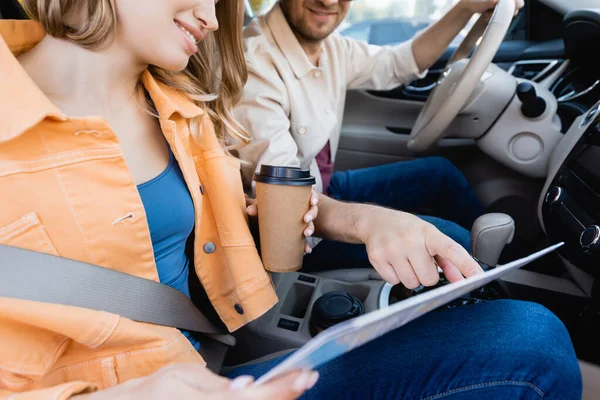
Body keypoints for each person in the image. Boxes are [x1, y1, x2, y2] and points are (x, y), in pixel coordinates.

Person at [0, 0, 581, 399]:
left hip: (217, 356)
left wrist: (362, 220)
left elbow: (249, 194)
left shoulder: (177, 105)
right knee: (530, 344)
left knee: (524, 330)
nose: (211, 15)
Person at [235, 0, 525, 269]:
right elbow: (284, 199)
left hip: (322, 188)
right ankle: (493, 286)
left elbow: (398, 64)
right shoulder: (255, 64)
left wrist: (465, 8)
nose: (327, 1)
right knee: (450, 239)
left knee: (440, 174)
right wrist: (371, 223)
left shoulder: (330, 48)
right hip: (296, 234)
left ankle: (511, 269)